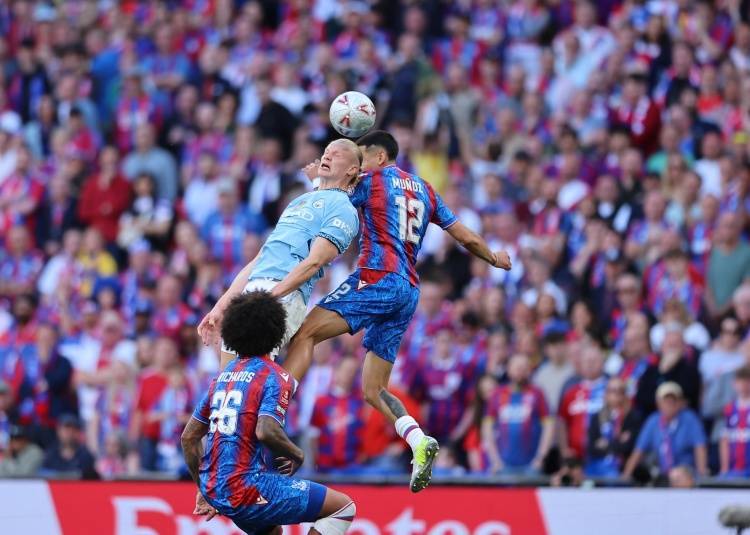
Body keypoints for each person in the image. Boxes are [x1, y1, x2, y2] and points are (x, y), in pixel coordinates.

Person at [281, 130, 512, 492]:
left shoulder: (371, 182)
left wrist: (318, 179)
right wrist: (495, 259)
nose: (356, 165)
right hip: (408, 290)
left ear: (380, 158)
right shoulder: (425, 189)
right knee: (373, 389)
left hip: (377, 276)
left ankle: (274, 414)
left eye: (361, 158)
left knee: (304, 334)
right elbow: (465, 236)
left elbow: (329, 203)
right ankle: (419, 440)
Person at [181, 291, 356, 535]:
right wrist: (296, 453)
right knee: (343, 508)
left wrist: (204, 487)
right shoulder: (275, 376)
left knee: (273, 533)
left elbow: (188, 438)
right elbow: (266, 430)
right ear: (276, 332)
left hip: (217, 490)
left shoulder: (223, 377)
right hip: (248, 487)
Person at [198, 139, 361, 365]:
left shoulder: (344, 209)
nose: (327, 156)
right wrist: (220, 306)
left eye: (337, 154)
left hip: (284, 292)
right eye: (326, 152)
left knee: (250, 374)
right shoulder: (298, 202)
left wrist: (269, 298)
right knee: (228, 379)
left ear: (352, 169)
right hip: (253, 291)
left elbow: (314, 262)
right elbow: (260, 258)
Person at [481, 354, 554, 475]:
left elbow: (549, 426)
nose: (521, 372)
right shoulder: (497, 394)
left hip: (531, 466)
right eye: (517, 368)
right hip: (503, 465)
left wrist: (541, 457)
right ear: (509, 369)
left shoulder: (537, 393)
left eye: (525, 368)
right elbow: (487, 428)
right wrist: (495, 460)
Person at [623, 382, 707, 480]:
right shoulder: (653, 421)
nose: (669, 404)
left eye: (673, 401)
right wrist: (625, 477)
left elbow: (700, 447)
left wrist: (702, 475)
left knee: (678, 475)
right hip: (661, 474)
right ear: (658, 403)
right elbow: (638, 451)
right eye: (666, 401)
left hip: (686, 472)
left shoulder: (690, 419)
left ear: (680, 402)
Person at [585, 377, 642, 477]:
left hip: (621, 468)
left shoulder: (633, 417)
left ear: (625, 394)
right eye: (612, 390)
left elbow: (629, 447)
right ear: (606, 394)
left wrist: (606, 444)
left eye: (620, 391)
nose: (616, 394)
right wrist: (618, 442)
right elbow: (591, 448)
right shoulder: (597, 417)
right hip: (596, 465)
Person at [719, 366, 750, 478]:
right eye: (740, 382)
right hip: (734, 470)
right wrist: (724, 468)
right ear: (734, 384)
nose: (743, 386)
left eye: (747, 382)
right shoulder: (729, 409)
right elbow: (724, 440)